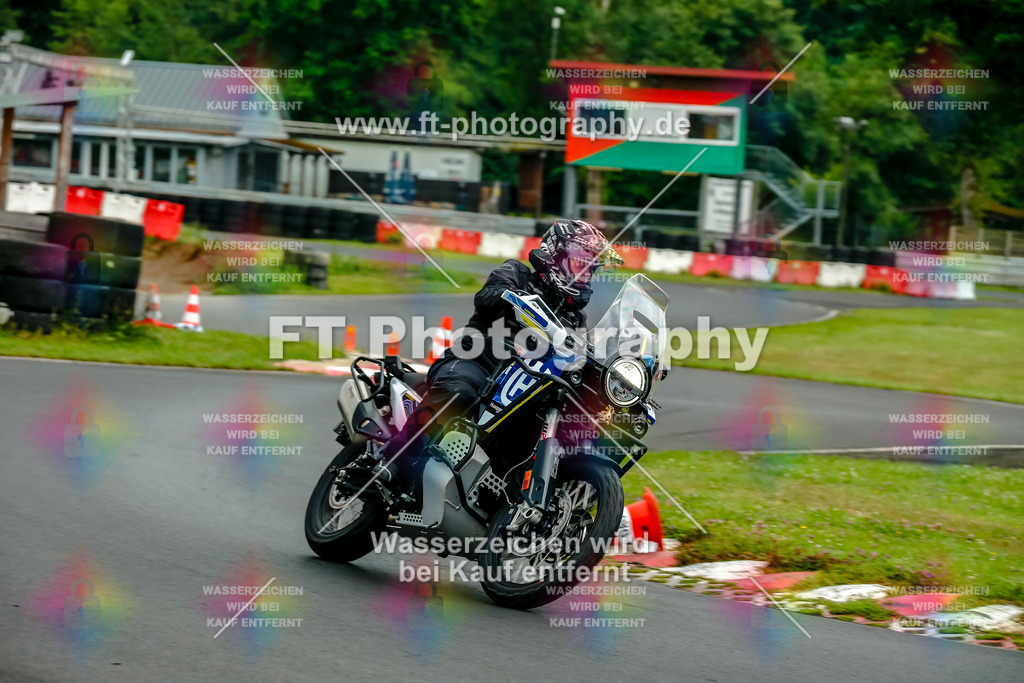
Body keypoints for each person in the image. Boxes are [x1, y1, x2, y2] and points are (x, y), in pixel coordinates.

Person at [377, 219, 623, 489]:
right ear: (557, 257)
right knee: (459, 393)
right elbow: (488, 297)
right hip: (479, 357)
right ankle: (393, 462)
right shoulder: (517, 273)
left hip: (525, 384)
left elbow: (576, 359)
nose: (587, 274)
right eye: (581, 264)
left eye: (592, 268)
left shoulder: (575, 317)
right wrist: (512, 297)